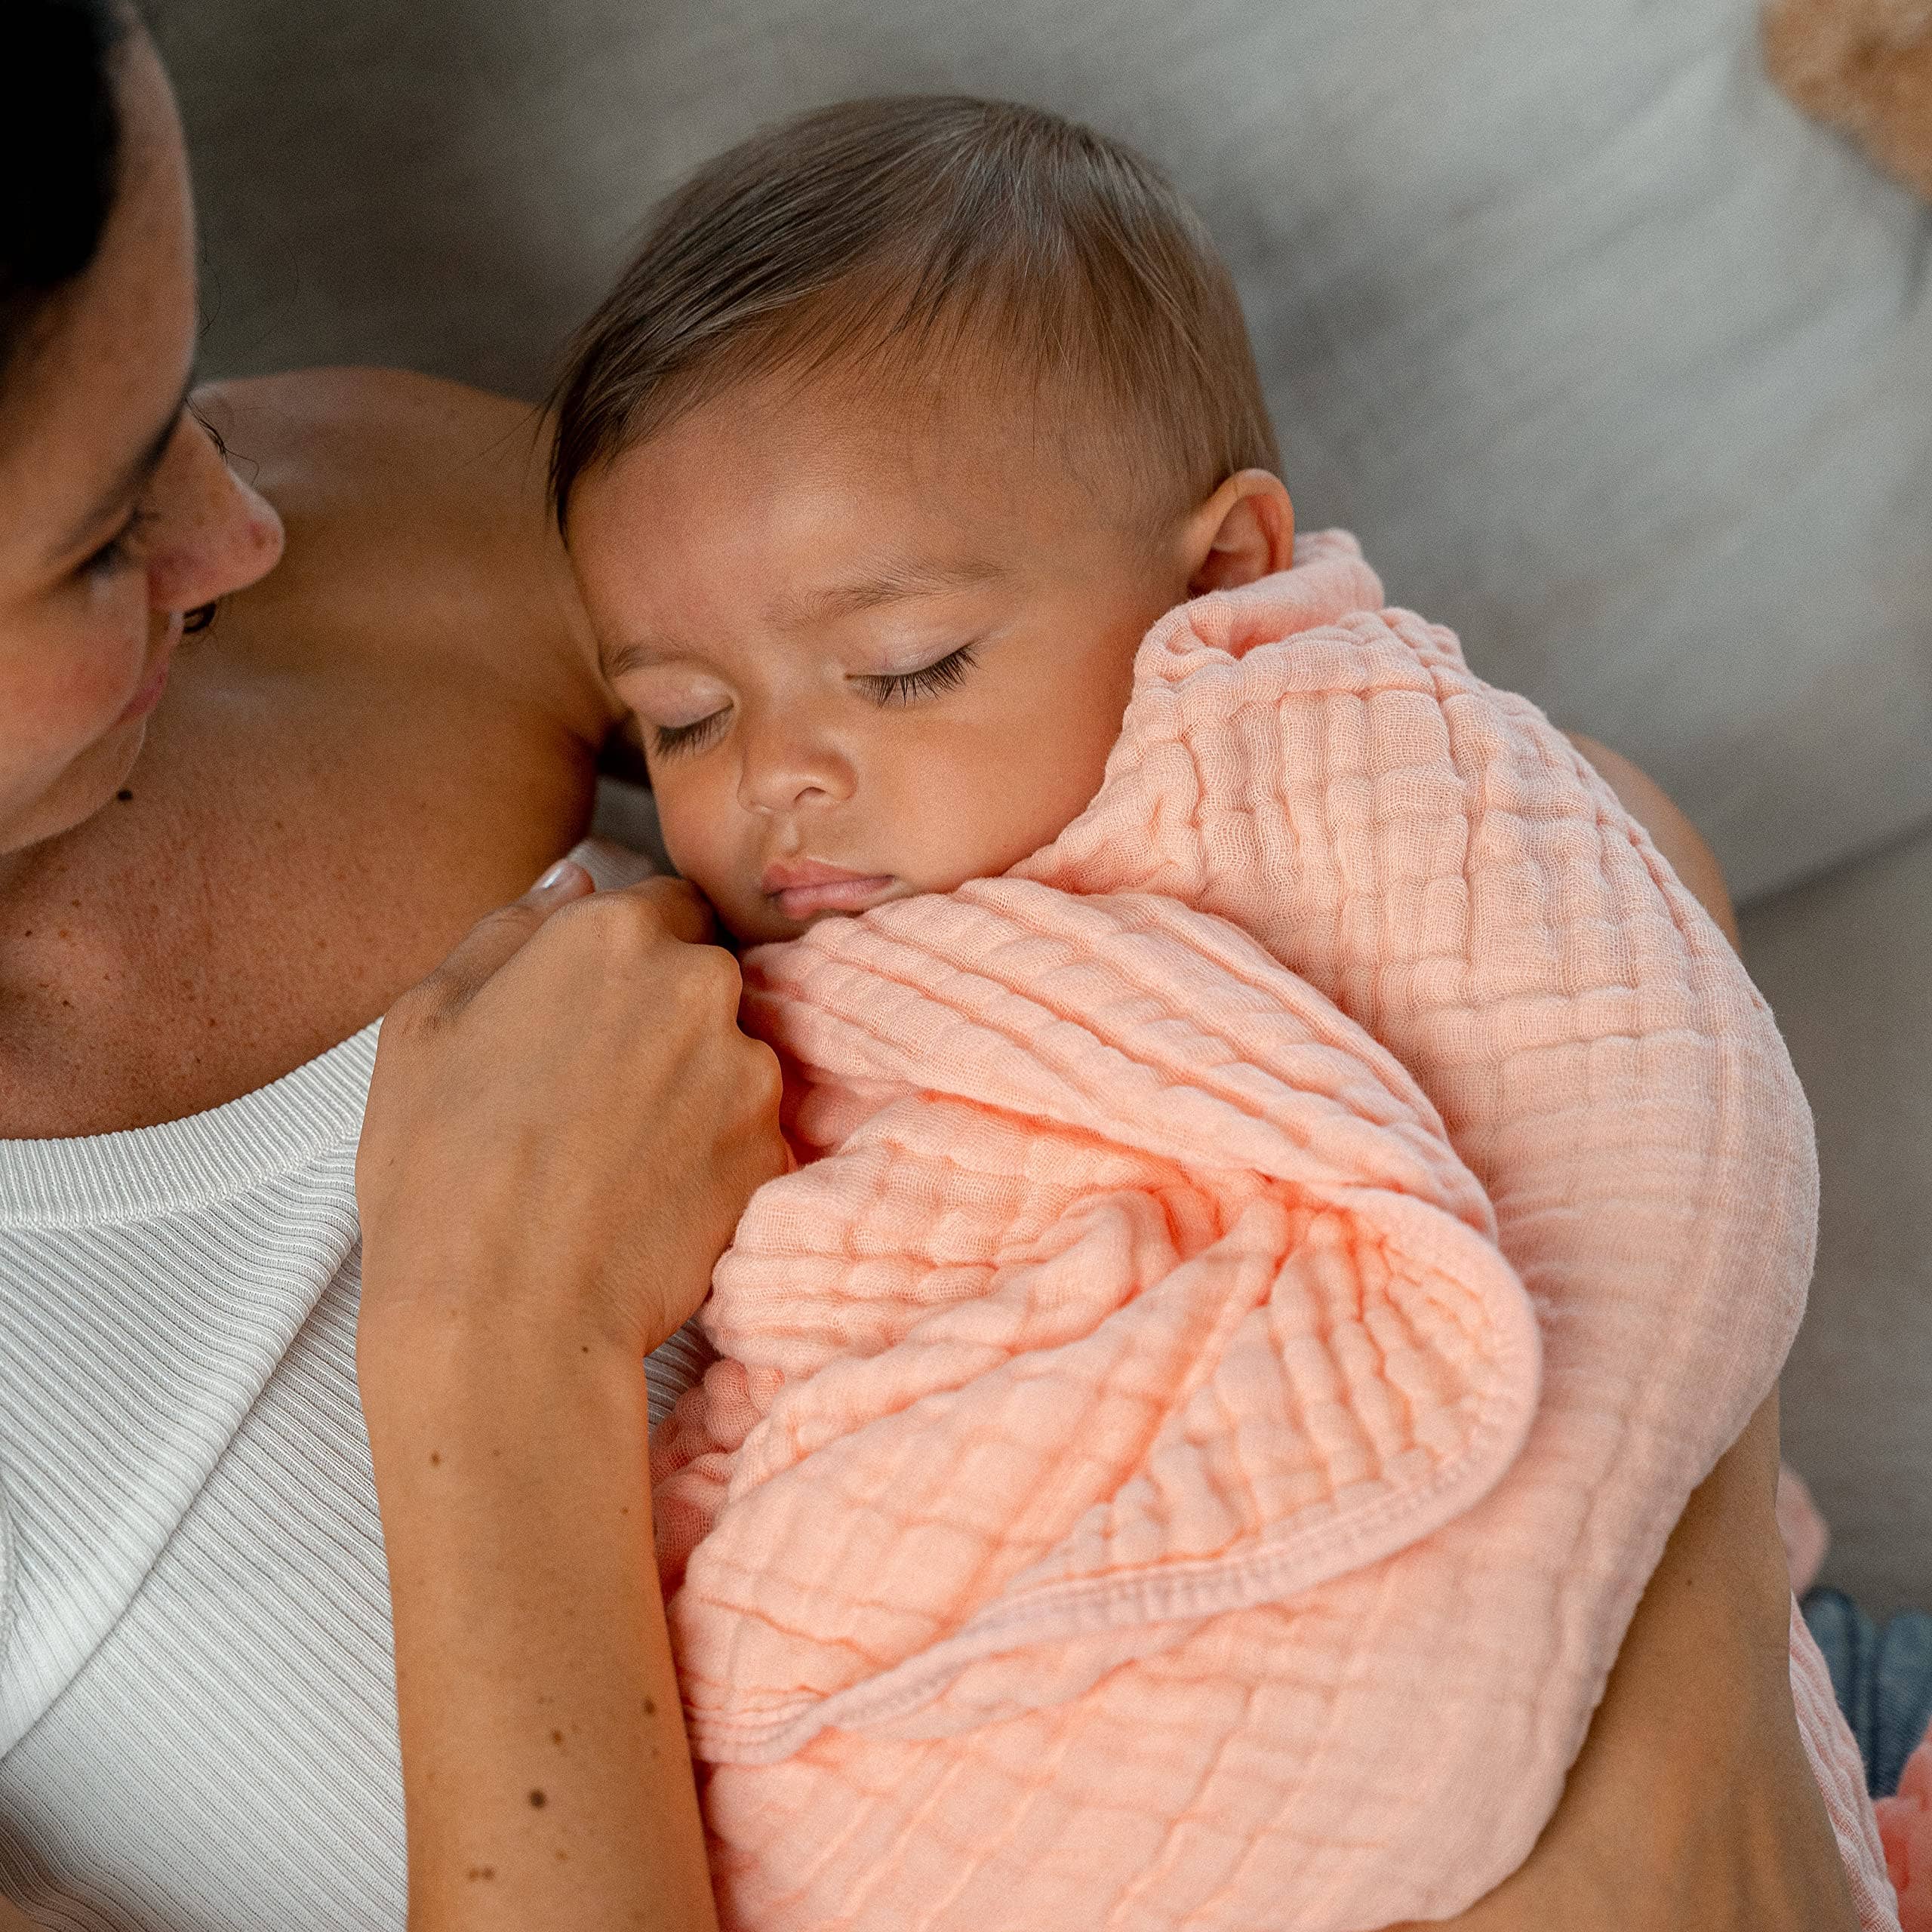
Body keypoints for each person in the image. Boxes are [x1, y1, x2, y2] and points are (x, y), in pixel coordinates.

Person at [0, 6, 1872, 1930]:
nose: (234, 531)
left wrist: (1677, 1735)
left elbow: (1569, 862)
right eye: (91, 538)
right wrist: (490, 1342)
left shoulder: (354, 535)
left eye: (190, 408)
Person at [545, 97, 1887, 1929]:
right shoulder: (749, 991)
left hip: (1542, 1650)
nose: (781, 774)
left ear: (1219, 578)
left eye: (901, 668)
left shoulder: (1333, 762)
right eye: (682, 718)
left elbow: (1649, 1115)